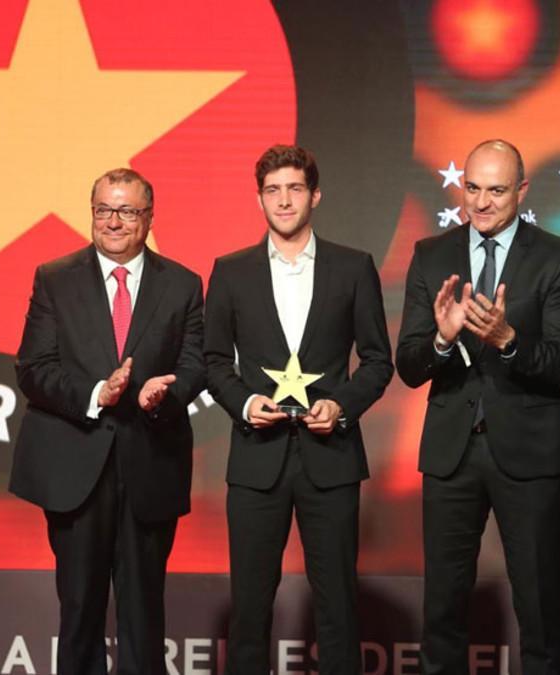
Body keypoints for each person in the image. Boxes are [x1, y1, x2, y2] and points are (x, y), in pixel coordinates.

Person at [204, 144, 393, 675]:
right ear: (259, 198)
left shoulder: (354, 268)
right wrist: (243, 402)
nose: (283, 201)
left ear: (315, 195)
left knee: (337, 605)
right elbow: (214, 361)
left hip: (330, 460)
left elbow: (379, 360)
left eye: (293, 189)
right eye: (272, 190)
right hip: (255, 463)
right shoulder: (230, 271)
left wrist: (342, 405)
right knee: (249, 607)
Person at [395, 139, 560, 674]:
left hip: (528, 454)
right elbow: (409, 364)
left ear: (521, 191)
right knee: (444, 609)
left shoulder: (555, 255)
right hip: (451, 455)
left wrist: (509, 340)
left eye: (496, 190)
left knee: (540, 606)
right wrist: (441, 339)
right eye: (472, 188)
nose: (481, 202)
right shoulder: (431, 254)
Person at [9, 168, 206, 675]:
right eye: (103, 209)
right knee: (79, 614)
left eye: (126, 211)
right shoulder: (54, 277)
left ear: (149, 217)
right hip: (75, 468)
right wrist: (98, 393)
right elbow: (32, 369)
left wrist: (164, 393)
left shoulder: (183, 284)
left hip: (150, 466)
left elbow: (195, 365)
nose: (113, 221)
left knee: (144, 619)